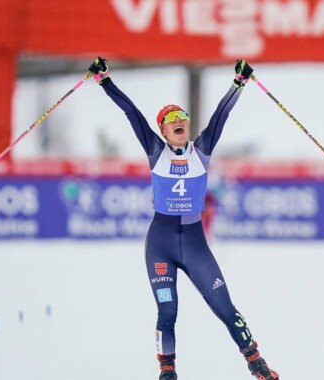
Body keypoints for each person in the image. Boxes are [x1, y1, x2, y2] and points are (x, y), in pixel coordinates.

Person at [88, 57, 279, 380]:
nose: (179, 121)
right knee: (167, 312)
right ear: (162, 129)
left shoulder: (201, 151)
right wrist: (105, 81)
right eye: (171, 118)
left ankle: (256, 363)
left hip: (194, 242)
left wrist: (239, 83)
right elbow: (130, 112)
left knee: (225, 308)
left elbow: (222, 115)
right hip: (160, 243)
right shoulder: (155, 151)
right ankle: (168, 373)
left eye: (183, 117)